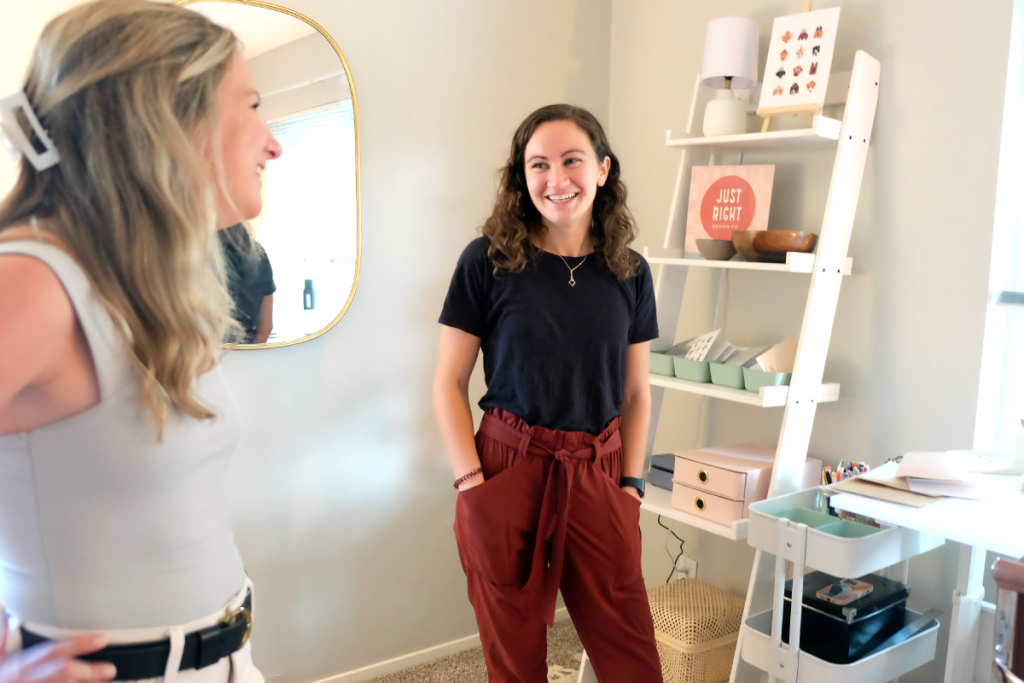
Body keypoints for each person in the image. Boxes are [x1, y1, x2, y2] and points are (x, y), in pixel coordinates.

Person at [0, 1, 281, 682]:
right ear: (167, 121)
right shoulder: (32, 282)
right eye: (251, 106)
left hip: (226, 658)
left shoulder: (145, 281)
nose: (273, 142)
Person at [433, 104, 663, 682]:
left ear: (603, 169)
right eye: (539, 164)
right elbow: (447, 383)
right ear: (522, 175)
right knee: (513, 658)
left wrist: (632, 486)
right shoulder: (486, 261)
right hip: (509, 466)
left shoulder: (630, 272)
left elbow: (636, 393)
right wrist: (471, 487)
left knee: (632, 658)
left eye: (571, 161)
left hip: (600, 469)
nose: (556, 179)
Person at [219, 224, 276, 343]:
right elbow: (266, 326)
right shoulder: (257, 251)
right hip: (246, 348)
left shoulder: (198, 253)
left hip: (208, 351)